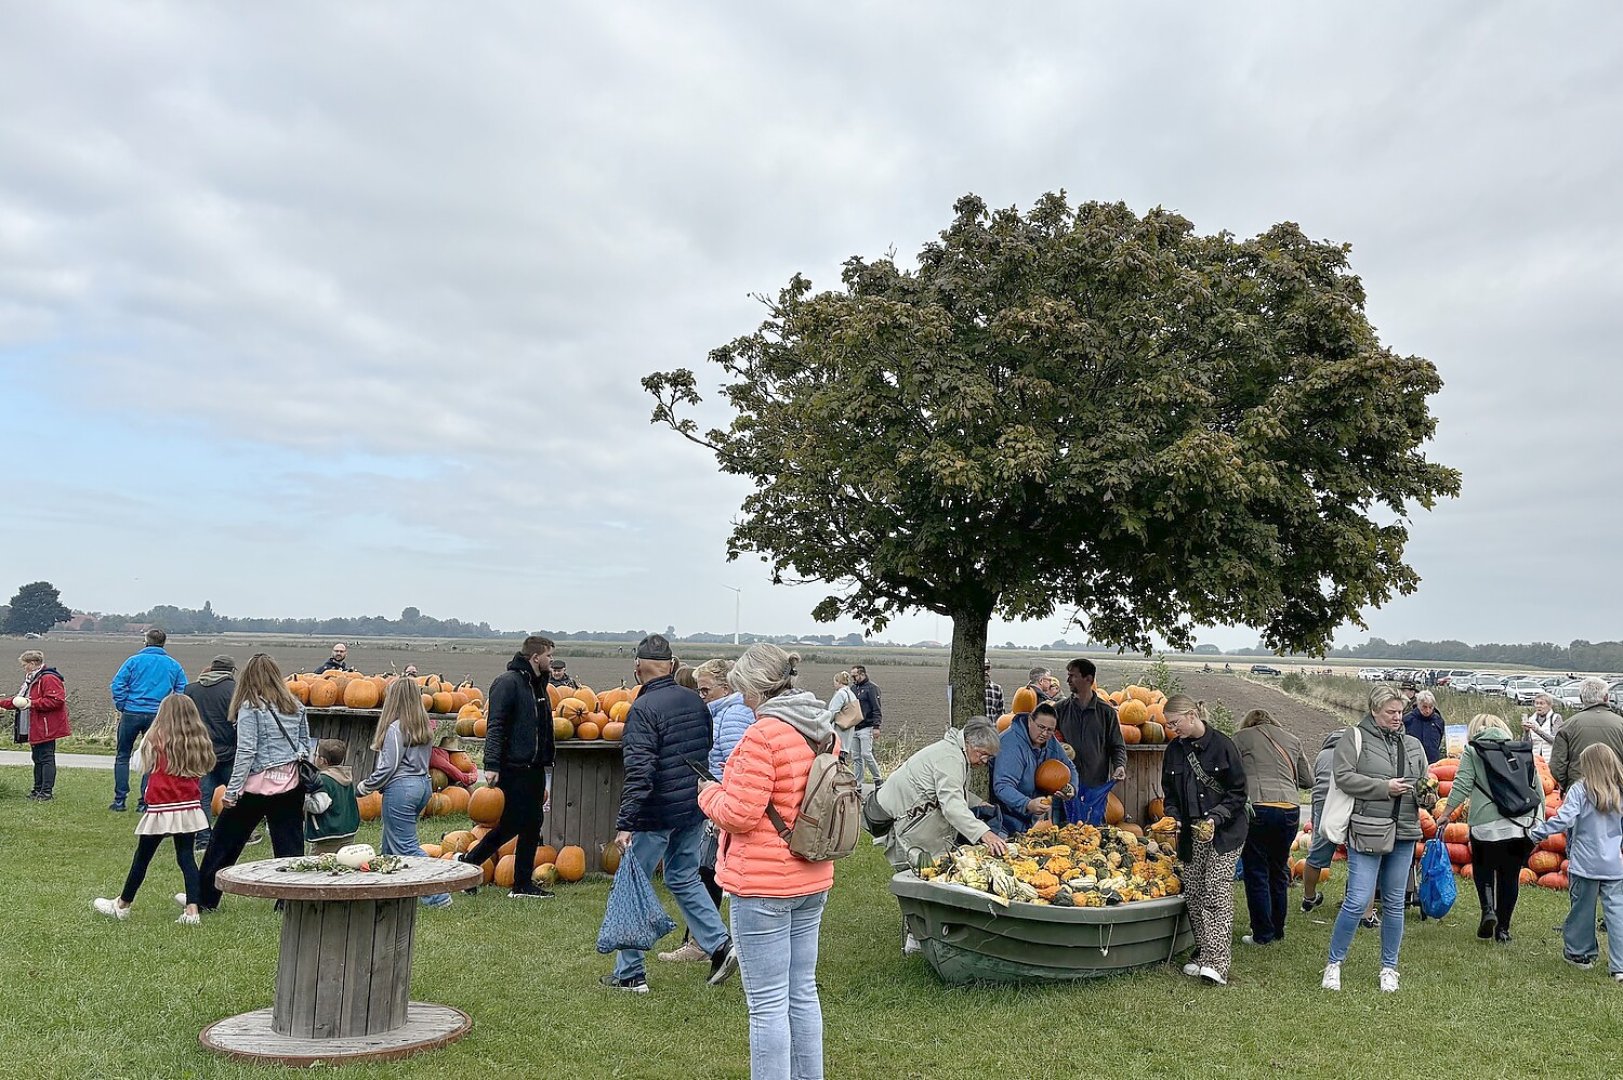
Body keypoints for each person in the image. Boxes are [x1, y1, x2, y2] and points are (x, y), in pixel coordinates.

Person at [698, 643, 835, 1080]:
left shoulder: (763, 735)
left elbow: (739, 813)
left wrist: (708, 793)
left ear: (757, 688)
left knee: (767, 1004)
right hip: (812, 875)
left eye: (744, 692)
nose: (742, 700)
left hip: (763, 885)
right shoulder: (820, 727)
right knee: (802, 993)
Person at [604, 633, 736, 992]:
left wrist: (627, 821)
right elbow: (704, 750)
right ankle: (720, 945)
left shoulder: (643, 710)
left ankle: (630, 974)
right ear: (673, 665)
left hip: (655, 812)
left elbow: (640, 770)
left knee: (632, 884)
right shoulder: (696, 703)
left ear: (636, 668)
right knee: (683, 876)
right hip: (691, 807)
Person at [1321, 685, 1430, 993]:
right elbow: (1343, 777)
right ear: (1374, 711)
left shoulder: (1413, 745)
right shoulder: (1354, 738)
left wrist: (1427, 792)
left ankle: (1389, 968)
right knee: (1357, 900)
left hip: (1406, 828)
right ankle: (1333, 963)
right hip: (1368, 826)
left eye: (1400, 711)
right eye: (1390, 712)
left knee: (1395, 903)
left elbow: (1424, 779)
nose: (1397, 717)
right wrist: (1385, 788)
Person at [878, 718, 1008, 954]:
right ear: (970, 744)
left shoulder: (954, 753)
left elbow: (952, 792)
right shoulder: (950, 758)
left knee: (932, 873)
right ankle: (916, 938)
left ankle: (929, 931)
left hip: (914, 820)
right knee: (923, 877)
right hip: (906, 823)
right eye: (984, 755)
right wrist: (985, 834)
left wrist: (978, 803)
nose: (984, 761)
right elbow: (951, 806)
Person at [196, 654, 311, 911]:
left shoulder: (250, 707)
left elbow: (246, 751)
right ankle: (289, 902)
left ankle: (204, 899)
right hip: (290, 784)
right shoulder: (295, 704)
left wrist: (232, 791)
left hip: (256, 785)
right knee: (290, 846)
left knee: (223, 844)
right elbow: (305, 744)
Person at [662, 657, 758, 964]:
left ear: (726, 687)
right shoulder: (726, 712)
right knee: (707, 871)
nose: (700, 696)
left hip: (722, 805)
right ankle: (705, 942)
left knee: (706, 872)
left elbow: (735, 765)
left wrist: (722, 810)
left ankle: (705, 944)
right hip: (718, 802)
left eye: (705, 690)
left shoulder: (731, 717)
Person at [93, 693, 214, 925]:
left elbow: (139, 764)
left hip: (161, 807)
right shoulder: (199, 738)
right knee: (186, 857)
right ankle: (192, 911)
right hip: (189, 807)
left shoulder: (156, 737)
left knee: (143, 857)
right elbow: (205, 767)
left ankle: (123, 904)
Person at [459, 635, 557, 899]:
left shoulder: (538, 684)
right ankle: (474, 865)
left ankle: (515, 881)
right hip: (513, 766)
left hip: (535, 765)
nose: (552, 660)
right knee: (513, 824)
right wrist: (491, 764)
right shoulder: (508, 683)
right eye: (549, 655)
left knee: (529, 823)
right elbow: (496, 725)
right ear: (536, 657)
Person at [1433, 713, 1545, 943]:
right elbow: (1538, 789)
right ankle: (1503, 930)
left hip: (1486, 824)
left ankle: (1488, 910)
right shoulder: (1522, 750)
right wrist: (1539, 821)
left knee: (1483, 868)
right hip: (1520, 824)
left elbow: (1462, 785)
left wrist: (1445, 815)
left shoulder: (1474, 751)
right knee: (1510, 876)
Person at [1161, 696, 1249, 986]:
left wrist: (1216, 819)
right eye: (1169, 725)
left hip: (1225, 830)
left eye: (1175, 723)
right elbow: (1170, 793)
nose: (1173, 730)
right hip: (1191, 830)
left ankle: (1218, 964)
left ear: (1191, 715)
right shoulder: (1173, 750)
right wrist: (1172, 816)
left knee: (1217, 890)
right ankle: (1203, 954)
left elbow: (1238, 793)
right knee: (1195, 890)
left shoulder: (1223, 746)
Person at [1530, 743, 1623, 977]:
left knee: (1582, 910)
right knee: (1617, 914)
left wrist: (1536, 833)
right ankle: (1619, 966)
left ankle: (1581, 954)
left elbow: (1565, 819)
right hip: (1614, 864)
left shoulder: (1580, 790)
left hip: (1585, 864)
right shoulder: (1619, 790)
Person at [358, 679, 450, 908]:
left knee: (406, 846)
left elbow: (389, 765)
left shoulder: (395, 728)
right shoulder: (424, 727)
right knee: (391, 844)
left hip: (402, 789)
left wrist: (366, 786)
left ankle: (438, 895)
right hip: (422, 785)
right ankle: (386, 890)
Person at [1233, 708, 1312, 946]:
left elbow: (1230, 774)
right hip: (1290, 808)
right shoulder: (1292, 740)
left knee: (1256, 870)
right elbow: (1308, 781)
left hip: (1258, 807)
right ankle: (1278, 928)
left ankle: (1261, 933)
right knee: (1278, 869)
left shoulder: (1241, 738)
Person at [109, 628, 187, 812]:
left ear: (146, 641)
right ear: (164, 642)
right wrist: (170, 709)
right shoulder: (173, 665)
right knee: (152, 758)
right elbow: (181, 689)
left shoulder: (133, 661)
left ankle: (120, 800)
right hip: (158, 715)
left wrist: (123, 704)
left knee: (123, 755)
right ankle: (145, 801)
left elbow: (118, 684)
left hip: (132, 712)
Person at [1055, 658, 1126, 824]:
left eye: (1072, 676)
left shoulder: (1106, 712)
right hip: (1064, 785)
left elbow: (1117, 745)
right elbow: (1048, 741)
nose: (1068, 680)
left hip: (1095, 787)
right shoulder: (1059, 709)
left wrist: (1120, 765)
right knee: (1060, 836)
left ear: (1088, 679)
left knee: (1091, 837)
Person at [990, 702, 1078, 835]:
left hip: (1037, 810)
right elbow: (1002, 786)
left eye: (1050, 730)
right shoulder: (1011, 744)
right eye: (1041, 727)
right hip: (1007, 814)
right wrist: (1027, 804)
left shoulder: (1050, 741)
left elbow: (1069, 766)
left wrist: (1072, 787)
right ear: (1030, 720)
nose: (1044, 733)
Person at [184, 655, 236, 849]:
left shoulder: (190, 690)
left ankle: (203, 838)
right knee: (237, 796)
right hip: (229, 752)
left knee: (202, 797)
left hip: (200, 753)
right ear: (231, 672)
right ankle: (235, 835)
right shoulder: (234, 691)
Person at [3, 648, 69, 801]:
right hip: (35, 726)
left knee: (46, 758)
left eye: (24, 665)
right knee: (37, 758)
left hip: (46, 726)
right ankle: (37, 790)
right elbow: (18, 700)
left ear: (33, 663)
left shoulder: (48, 678)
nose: (23, 668)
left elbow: (56, 701)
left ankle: (46, 792)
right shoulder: (32, 680)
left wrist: (31, 703)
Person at [1300, 728, 1348, 913]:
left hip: (1322, 801)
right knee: (1357, 851)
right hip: (1346, 799)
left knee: (1317, 850)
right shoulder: (1357, 751)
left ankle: (1308, 897)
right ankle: (1352, 899)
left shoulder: (1323, 754)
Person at [1551, 677, 1623, 793]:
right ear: (1606, 697)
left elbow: (1557, 766)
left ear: (1580, 698)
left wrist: (1569, 786)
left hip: (1580, 790)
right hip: (1615, 790)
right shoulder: (1620, 723)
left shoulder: (1568, 726)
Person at [305, 739, 360, 854]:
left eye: (316, 755)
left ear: (322, 760)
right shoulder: (345, 777)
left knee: (319, 867)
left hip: (328, 836)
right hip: (347, 833)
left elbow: (319, 806)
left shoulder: (324, 780)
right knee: (343, 864)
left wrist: (303, 800)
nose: (314, 756)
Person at [848, 665, 884, 790]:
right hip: (854, 727)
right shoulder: (853, 688)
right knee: (856, 757)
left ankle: (878, 779)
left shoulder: (872, 688)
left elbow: (876, 708)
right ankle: (858, 782)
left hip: (867, 727)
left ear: (862, 674)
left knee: (866, 754)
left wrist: (876, 726)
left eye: (854, 676)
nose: (853, 678)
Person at [1403, 691, 1447, 764]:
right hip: (1412, 761)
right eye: (1424, 707)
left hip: (1433, 762)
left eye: (1430, 707)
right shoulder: (1407, 720)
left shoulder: (1439, 721)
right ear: (1418, 705)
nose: (1427, 710)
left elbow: (1439, 740)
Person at [1522, 693, 1566, 762]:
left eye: (1542, 704)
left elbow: (1555, 740)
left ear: (1549, 706)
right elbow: (1526, 743)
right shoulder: (1531, 719)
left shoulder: (1556, 718)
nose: (1539, 706)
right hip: (1535, 759)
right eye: (1537, 703)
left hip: (1551, 759)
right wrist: (1526, 731)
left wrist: (1537, 730)